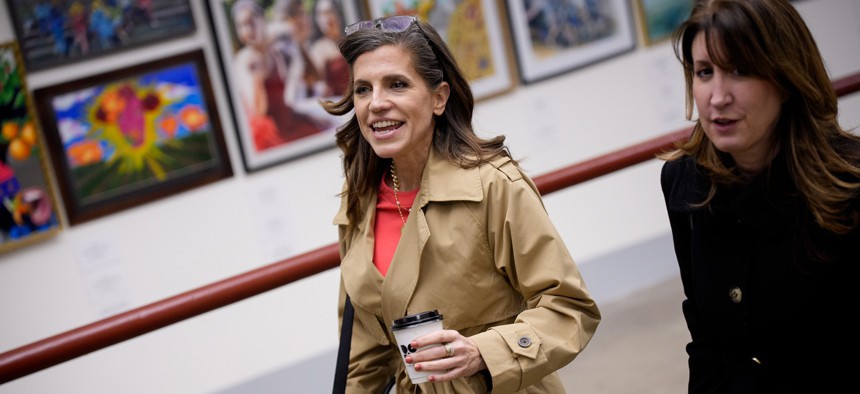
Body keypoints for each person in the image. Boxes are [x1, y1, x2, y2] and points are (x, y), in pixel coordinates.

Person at [324, 15, 600, 393]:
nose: (376, 104)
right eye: (362, 89)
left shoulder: (493, 186)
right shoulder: (359, 202)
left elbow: (570, 309)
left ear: (439, 98)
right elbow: (364, 355)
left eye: (397, 85)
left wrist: (483, 353)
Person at [659, 0, 860, 392]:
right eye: (704, 72)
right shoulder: (683, 181)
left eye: (739, 70)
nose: (717, 96)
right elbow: (705, 339)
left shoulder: (848, 185)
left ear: (787, 78)